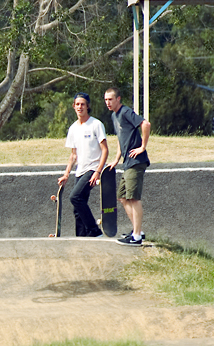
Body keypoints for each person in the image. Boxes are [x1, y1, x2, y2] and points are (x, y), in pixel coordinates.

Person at [104, 87, 150, 246]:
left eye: (110, 99)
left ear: (118, 99)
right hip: (127, 163)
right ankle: (138, 231)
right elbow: (120, 137)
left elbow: (145, 123)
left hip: (136, 161)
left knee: (133, 198)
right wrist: (117, 159)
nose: (108, 103)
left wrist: (143, 146)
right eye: (106, 100)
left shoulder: (125, 112)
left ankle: (136, 237)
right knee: (123, 197)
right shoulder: (114, 116)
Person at [57, 93, 108, 237]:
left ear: (88, 106)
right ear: (74, 106)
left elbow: (105, 150)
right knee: (77, 208)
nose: (80, 107)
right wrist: (66, 174)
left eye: (82, 104)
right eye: (77, 104)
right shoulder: (73, 128)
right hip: (80, 171)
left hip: (92, 169)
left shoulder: (96, 124)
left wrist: (98, 172)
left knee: (75, 197)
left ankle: (95, 231)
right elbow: (74, 154)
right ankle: (82, 239)